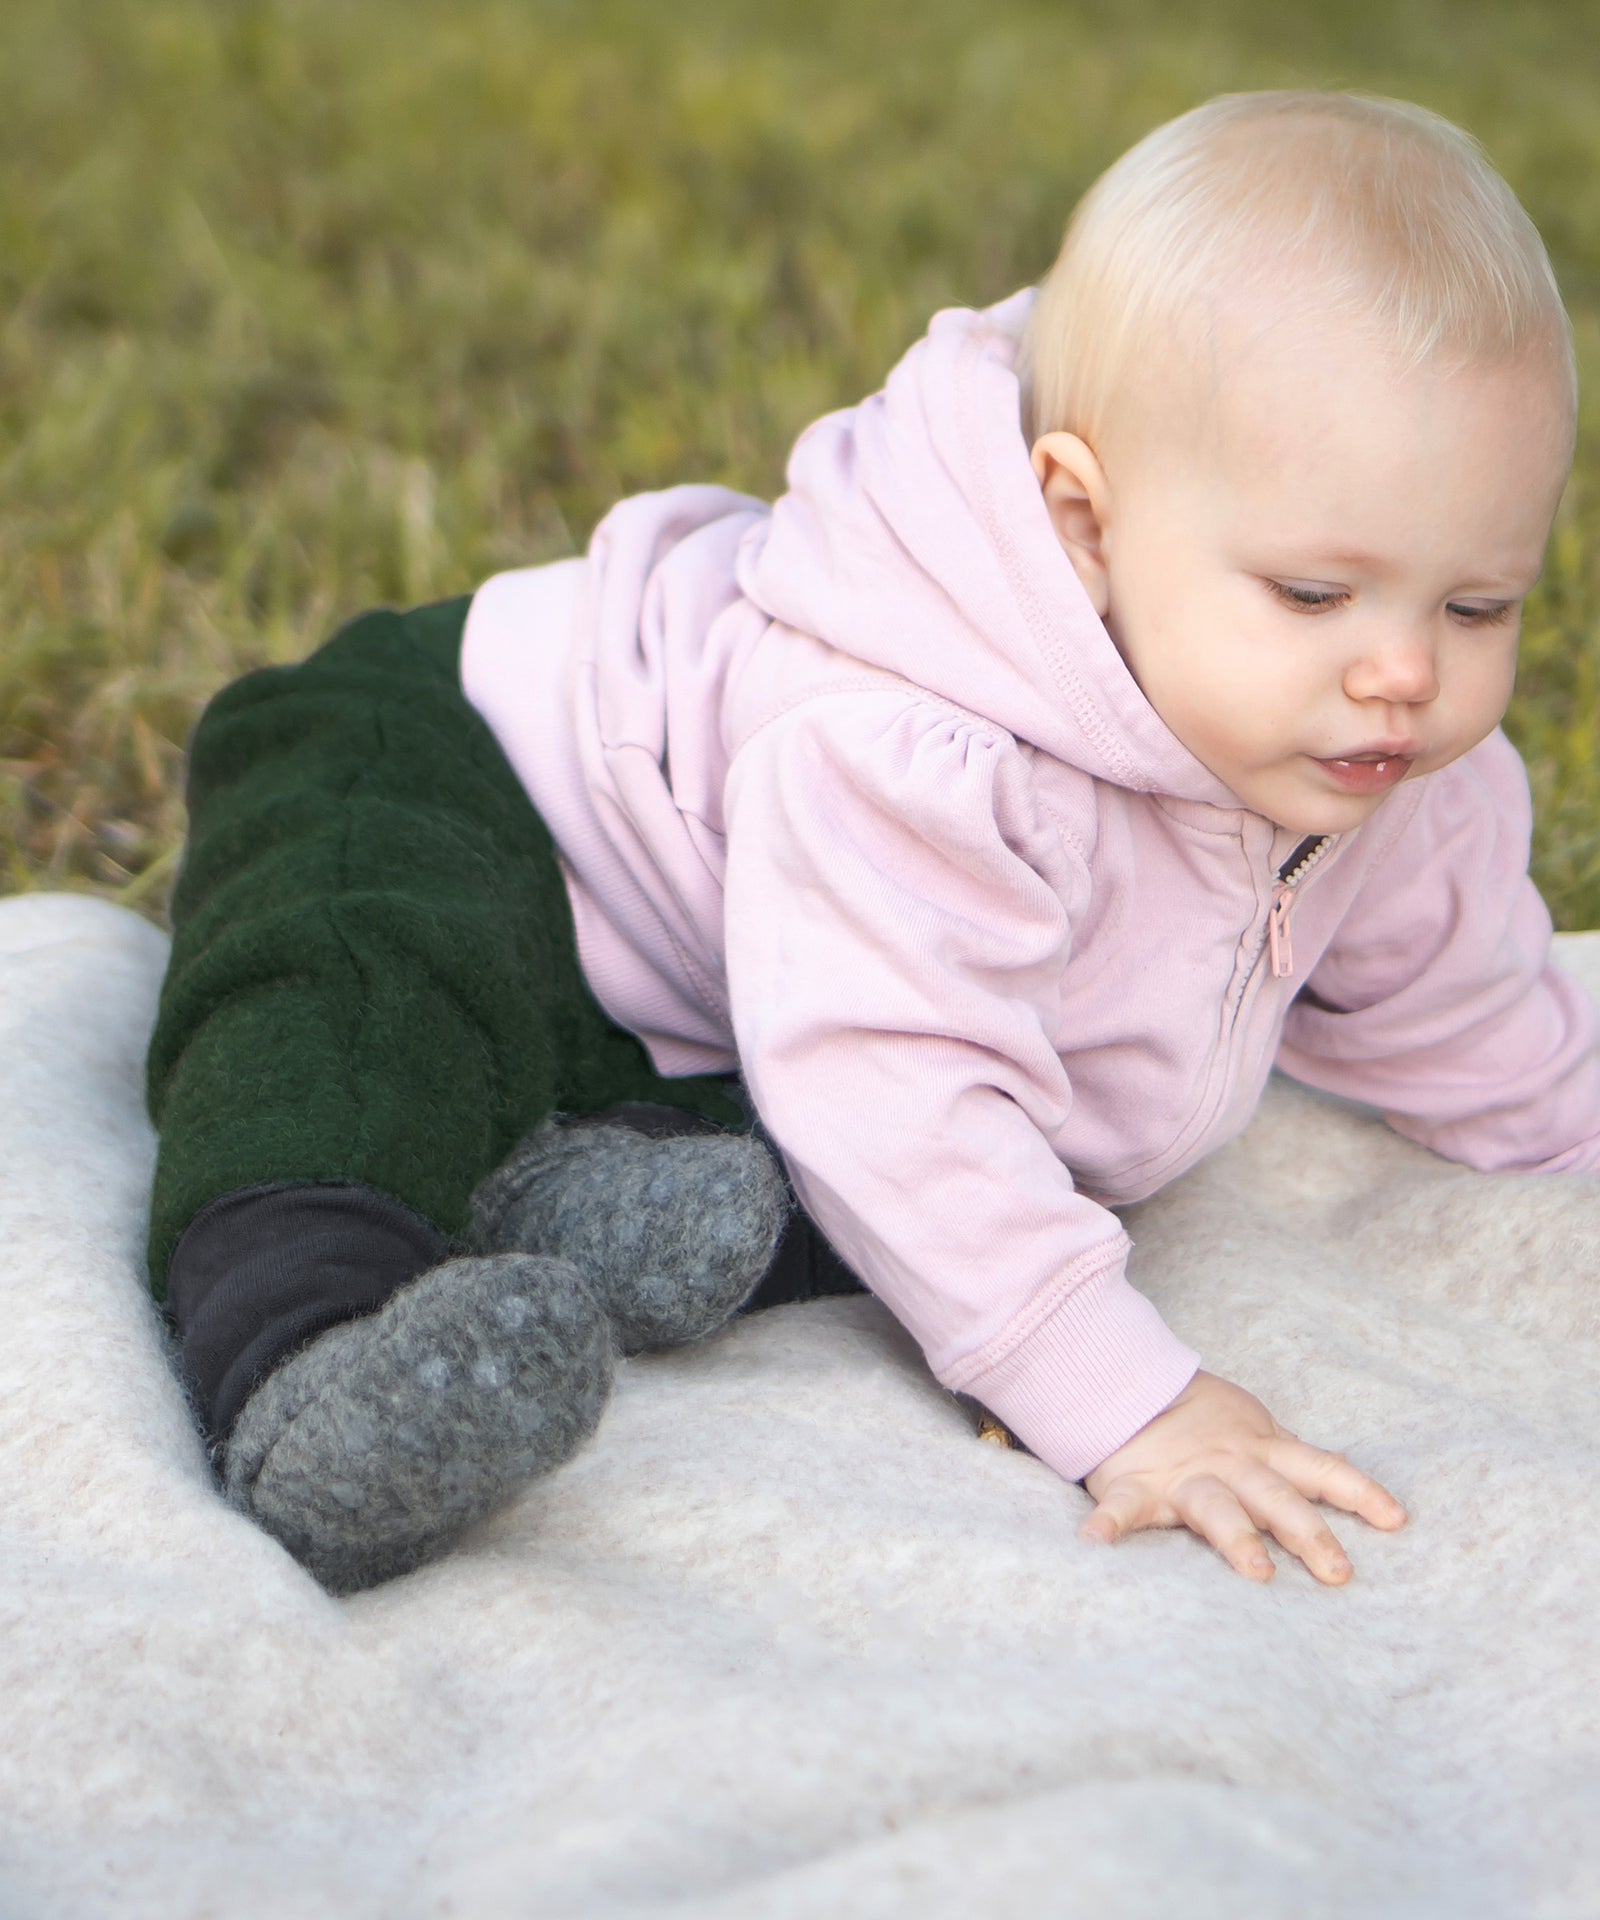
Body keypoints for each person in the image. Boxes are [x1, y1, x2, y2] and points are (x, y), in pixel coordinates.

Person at [145, 89, 1599, 1595]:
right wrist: (1132, 1407)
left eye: (1479, 605)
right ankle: (309, 1356)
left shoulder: (1376, 752)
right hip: (473, 764)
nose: (1405, 674)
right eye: (1314, 594)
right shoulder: (922, 748)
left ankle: (597, 1187)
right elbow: (893, 1079)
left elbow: (1483, 1023)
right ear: (1087, 525)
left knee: (951, 1172)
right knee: (364, 1005)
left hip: (737, 982)